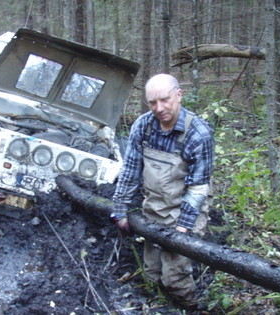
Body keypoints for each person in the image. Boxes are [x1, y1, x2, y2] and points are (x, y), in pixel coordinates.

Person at [111, 73, 215, 308]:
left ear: (179, 95)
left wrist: (181, 230)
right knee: (152, 271)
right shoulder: (143, 125)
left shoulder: (199, 133)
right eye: (152, 102)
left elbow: (198, 188)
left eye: (165, 100)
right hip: (155, 205)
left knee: (174, 276)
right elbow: (130, 170)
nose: (159, 108)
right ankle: (158, 304)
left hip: (187, 208)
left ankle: (189, 305)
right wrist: (120, 210)